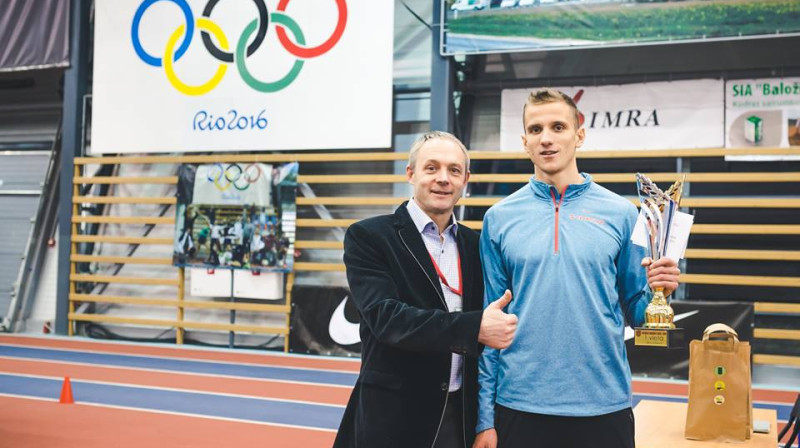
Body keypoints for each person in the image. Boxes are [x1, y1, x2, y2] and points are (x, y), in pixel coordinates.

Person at [474, 89, 681, 448]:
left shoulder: (620, 213)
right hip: (519, 405)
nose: (547, 138)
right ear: (525, 142)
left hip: (603, 405)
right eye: (536, 129)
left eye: (558, 126)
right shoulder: (499, 219)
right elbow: (489, 326)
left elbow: (639, 315)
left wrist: (659, 292)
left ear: (579, 135)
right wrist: (483, 419)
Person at [334, 131, 519, 448]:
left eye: (454, 170)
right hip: (394, 418)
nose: (443, 179)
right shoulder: (369, 237)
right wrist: (474, 327)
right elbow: (387, 319)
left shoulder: (477, 244)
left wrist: (486, 418)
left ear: (466, 180)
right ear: (411, 174)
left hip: (460, 416)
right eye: (431, 168)